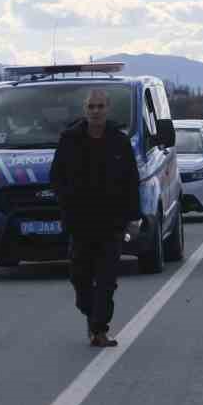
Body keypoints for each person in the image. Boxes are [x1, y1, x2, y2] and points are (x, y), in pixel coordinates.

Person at [48, 88, 141, 348]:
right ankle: (90, 312)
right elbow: (56, 178)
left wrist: (133, 217)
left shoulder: (119, 141)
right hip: (80, 223)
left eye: (100, 106)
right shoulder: (70, 139)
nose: (96, 111)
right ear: (85, 110)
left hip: (111, 223)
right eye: (91, 107)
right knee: (80, 278)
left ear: (107, 109)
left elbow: (131, 181)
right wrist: (67, 203)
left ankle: (100, 329)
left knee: (107, 280)